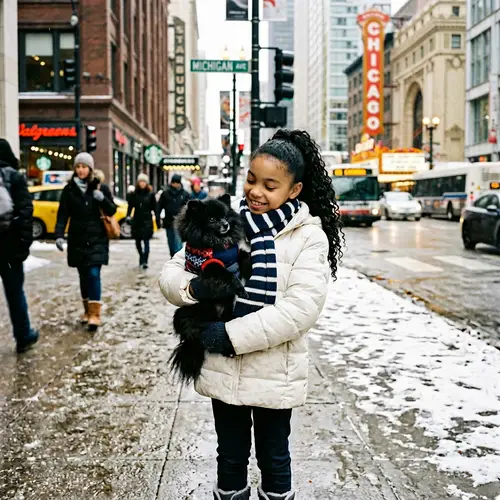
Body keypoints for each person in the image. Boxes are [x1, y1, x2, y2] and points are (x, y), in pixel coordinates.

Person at [159, 129, 343, 500]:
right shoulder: (226, 221)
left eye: (270, 185)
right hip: (223, 373)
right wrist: (194, 288)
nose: (256, 192)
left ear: (294, 190)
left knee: (274, 458)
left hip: (275, 372)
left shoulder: (308, 236)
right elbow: (172, 271)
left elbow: (299, 311)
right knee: (229, 457)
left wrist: (227, 337)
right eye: (251, 180)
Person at [55, 152, 117, 331]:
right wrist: (59, 235)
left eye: (84, 167)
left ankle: (95, 315)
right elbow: (62, 215)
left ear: (90, 168)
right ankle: (87, 311)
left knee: (93, 273)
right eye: (78, 167)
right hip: (77, 239)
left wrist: (102, 199)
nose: (81, 170)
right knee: (83, 276)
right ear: (75, 169)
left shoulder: (100, 188)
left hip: (97, 238)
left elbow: (112, 210)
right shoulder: (69, 190)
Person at [0, 138, 39, 353]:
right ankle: (23, 335)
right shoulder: (14, 177)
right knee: (15, 293)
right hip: (9, 249)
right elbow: (25, 214)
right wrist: (23, 245)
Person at [126, 173, 160, 269]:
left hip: (147, 221)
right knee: (137, 242)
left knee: (146, 242)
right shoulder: (134, 194)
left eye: (144, 181)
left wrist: (157, 219)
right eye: (140, 181)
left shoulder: (150, 194)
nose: (142, 183)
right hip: (137, 220)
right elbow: (130, 206)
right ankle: (141, 256)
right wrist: (128, 216)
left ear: (146, 183)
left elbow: (155, 208)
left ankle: (145, 260)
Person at [157, 174, 189, 257]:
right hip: (168, 221)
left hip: (180, 222)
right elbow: (159, 206)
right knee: (170, 242)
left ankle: (178, 259)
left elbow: (189, 209)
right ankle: (173, 256)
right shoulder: (165, 193)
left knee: (178, 243)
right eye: (174, 182)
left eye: (177, 182)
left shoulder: (185, 194)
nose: (175, 184)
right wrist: (158, 218)